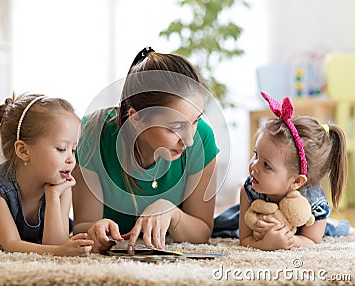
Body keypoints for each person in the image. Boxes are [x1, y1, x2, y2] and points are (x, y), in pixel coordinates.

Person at [72, 47, 220, 253]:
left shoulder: (202, 137)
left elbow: (202, 232)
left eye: (195, 121)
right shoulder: (92, 133)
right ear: (136, 119)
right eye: (175, 127)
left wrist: (173, 213)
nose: (189, 140)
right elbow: (82, 225)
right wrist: (94, 231)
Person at [0, 93, 93, 256]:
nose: (71, 159)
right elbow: (11, 243)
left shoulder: (62, 186)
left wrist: (53, 196)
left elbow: (56, 246)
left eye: (73, 149)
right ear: (23, 150)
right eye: (62, 149)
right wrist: (59, 250)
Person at [212, 92, 349, 250]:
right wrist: (264, 243)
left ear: (297, 181)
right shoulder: (249, 189)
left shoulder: (314, 202)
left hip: (301, 229)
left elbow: (311, 240)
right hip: (247, 215)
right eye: (256, 155)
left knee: (335, 231)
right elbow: (245, 238)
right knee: (221, 226)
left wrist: (289, 239)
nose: (254, 166)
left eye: (266, 165)